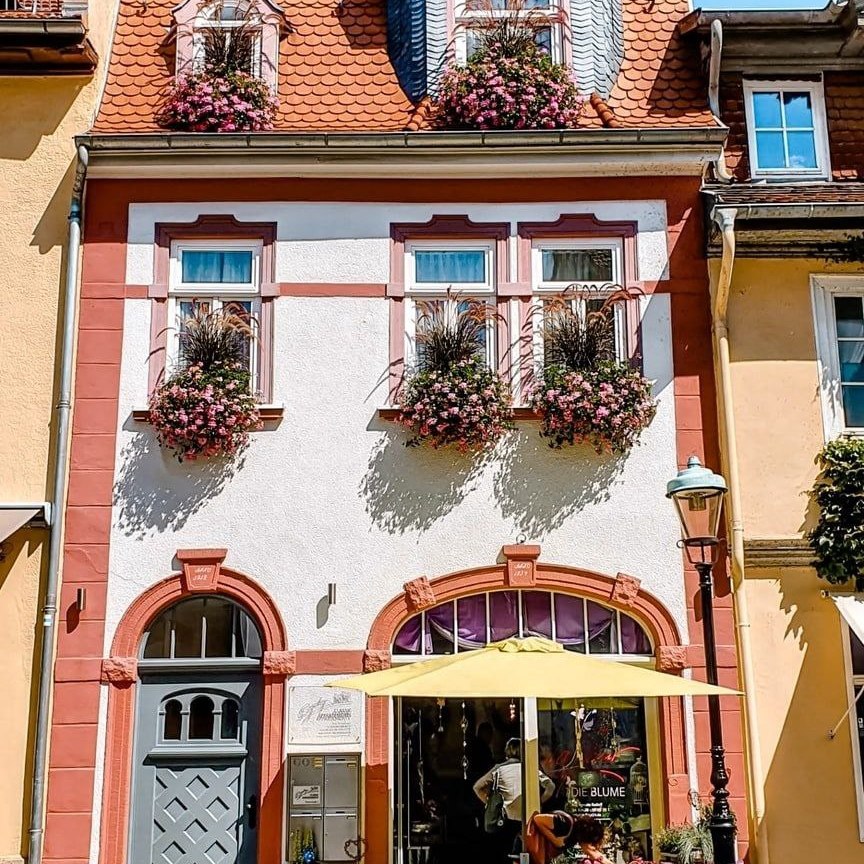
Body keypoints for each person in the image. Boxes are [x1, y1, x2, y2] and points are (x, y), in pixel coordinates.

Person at [473, 739, 555, 860]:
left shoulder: (499, 769)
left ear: (507, 751)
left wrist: (489, 803)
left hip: (507, 820)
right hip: (528, 819)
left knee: (506, 852)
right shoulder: (530, 768)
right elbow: (550, 786)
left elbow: (477, 787)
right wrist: (539, 802)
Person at [525, 811, 614, 864]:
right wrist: (554, 839)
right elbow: (537, 819)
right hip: (525, 844)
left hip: (532, 854)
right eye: (591, 844)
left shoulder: (574, 836)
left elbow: (594, 854)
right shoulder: (565, 823)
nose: (591, 848)